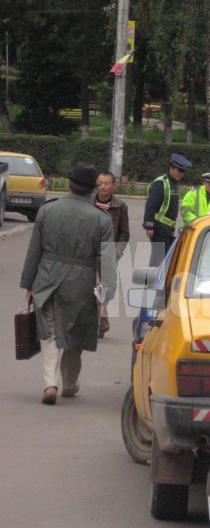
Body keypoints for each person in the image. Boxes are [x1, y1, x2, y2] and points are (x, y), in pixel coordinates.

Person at [20, 163, 117, 406]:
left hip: (47, 278)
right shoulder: (101, 219)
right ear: (92, 189)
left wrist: (29, 284)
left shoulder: (47, 210)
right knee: (75, 335)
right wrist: (107, 292)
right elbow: (107, 260)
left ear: (69, 184)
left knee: (49, 331)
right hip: (81, 282)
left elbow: (34, 251)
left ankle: (50, 382)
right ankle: (70, 384)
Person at [92, 171, 130, 337]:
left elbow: (124, 233)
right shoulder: (88, 202)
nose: (103, 187)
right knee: (90, 287)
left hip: (108, 254)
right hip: (88, 252)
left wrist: (117, 252)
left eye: (107, 183)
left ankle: (101, 320)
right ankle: (97, 322)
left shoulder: (120, 207)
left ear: (113, 186)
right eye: (100, 183)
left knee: (103, 289)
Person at [143, 153, 192, 266]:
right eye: (180, 171)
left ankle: (161, 282)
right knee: (158, 260)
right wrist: (149, 227)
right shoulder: (161, 183)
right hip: (158, 227)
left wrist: (171, 228)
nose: (182, 174)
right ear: (171, 168)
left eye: (183, 172)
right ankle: (152, 282)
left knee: (167, 260)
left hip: (167, 229)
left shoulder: (173, 183)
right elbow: (151, 205)